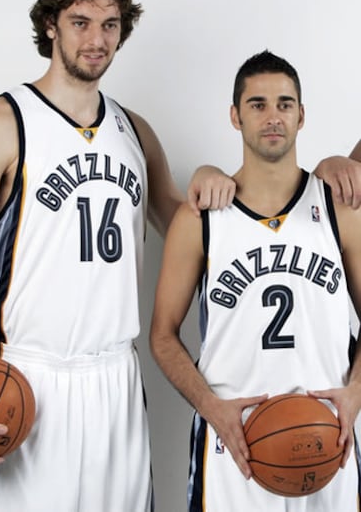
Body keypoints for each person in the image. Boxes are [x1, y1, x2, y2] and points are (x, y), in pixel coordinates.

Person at [0, 0, 238, 512]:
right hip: (25, 381)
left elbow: (187, 233)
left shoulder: (134, 130)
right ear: (51, 24)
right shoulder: (0, 125)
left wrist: (206, 177)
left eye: (110, 24)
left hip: (115, 382)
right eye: (81, 21)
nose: (97, 38)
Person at [150, 50, 361, 511]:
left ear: (301, 116)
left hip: (330, 440)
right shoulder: (201, 217)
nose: (272, 117)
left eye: (285, 104)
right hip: (234, 445)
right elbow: (163, 337)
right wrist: (213, 410)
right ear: (235, 115)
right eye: (257, 104)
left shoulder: (338, 209)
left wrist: (355, 395)